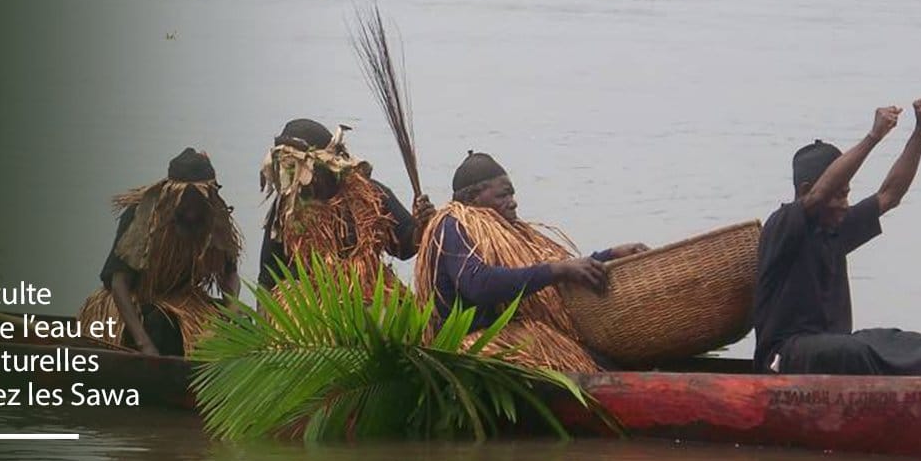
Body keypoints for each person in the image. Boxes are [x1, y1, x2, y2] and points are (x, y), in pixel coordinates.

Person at [752, 98, 921, 375]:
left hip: (837, 345)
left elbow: (890, 195)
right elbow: (820, 194)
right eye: (839, 195)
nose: (845, 204)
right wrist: (873, 137)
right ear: (804, 191)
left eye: (847, 194)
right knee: (849, 352)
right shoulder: (783, 225)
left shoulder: (836, 227)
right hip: (785, 353)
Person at [414, 151, 649, 372]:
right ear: (473, 198)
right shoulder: (451, 226)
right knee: (591, 367)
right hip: (476, 349)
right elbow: (479, 284)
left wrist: (609, 255)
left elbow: (549, 264)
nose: (513, 202)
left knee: (605, 359)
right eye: (503, 195)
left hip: (513, 336)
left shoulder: (504, 230)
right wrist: (556, 271)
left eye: (512, 194)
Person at [79, 148, 241, 356]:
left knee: (244, 323)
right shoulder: (144, 216)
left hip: (182, 300)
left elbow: (231, 274)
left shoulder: (215, 216)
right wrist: (144, 345)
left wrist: (230, 316)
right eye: (186, 199)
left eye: (198, 200)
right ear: (173, 193)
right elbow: (119, 283)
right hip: (137, 300)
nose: (192, 209)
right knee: (160, 324)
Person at [257, 118, 433, 297]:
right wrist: (262, 322)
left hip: (367, 297)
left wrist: (422, 226)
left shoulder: (370, 195)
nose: (297, 179)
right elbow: (267, 279)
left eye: (300, 169)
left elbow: (405, 247)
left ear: (326, 165)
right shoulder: (286, 210)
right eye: (289, 170)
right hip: (307, 307)